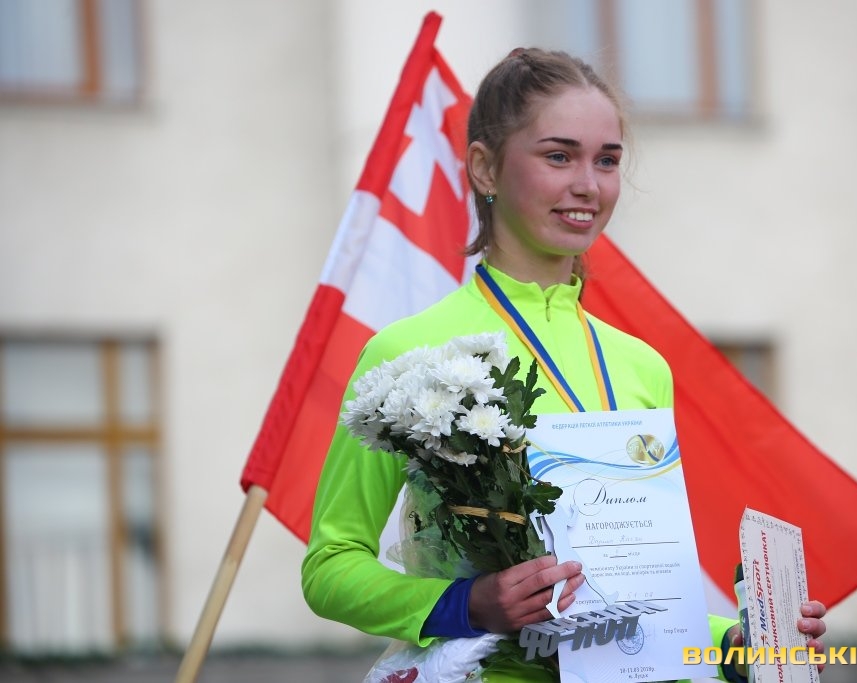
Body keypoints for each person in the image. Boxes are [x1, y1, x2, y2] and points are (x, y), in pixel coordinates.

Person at [302, 48, 827, 682]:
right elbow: (330, 566)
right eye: (559, 156)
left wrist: (739, 646)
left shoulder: (643, 367)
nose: (589, 185)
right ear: (484, 168)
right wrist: (465, 604)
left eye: (607, 160)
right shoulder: (408, 353)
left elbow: (643, 598)